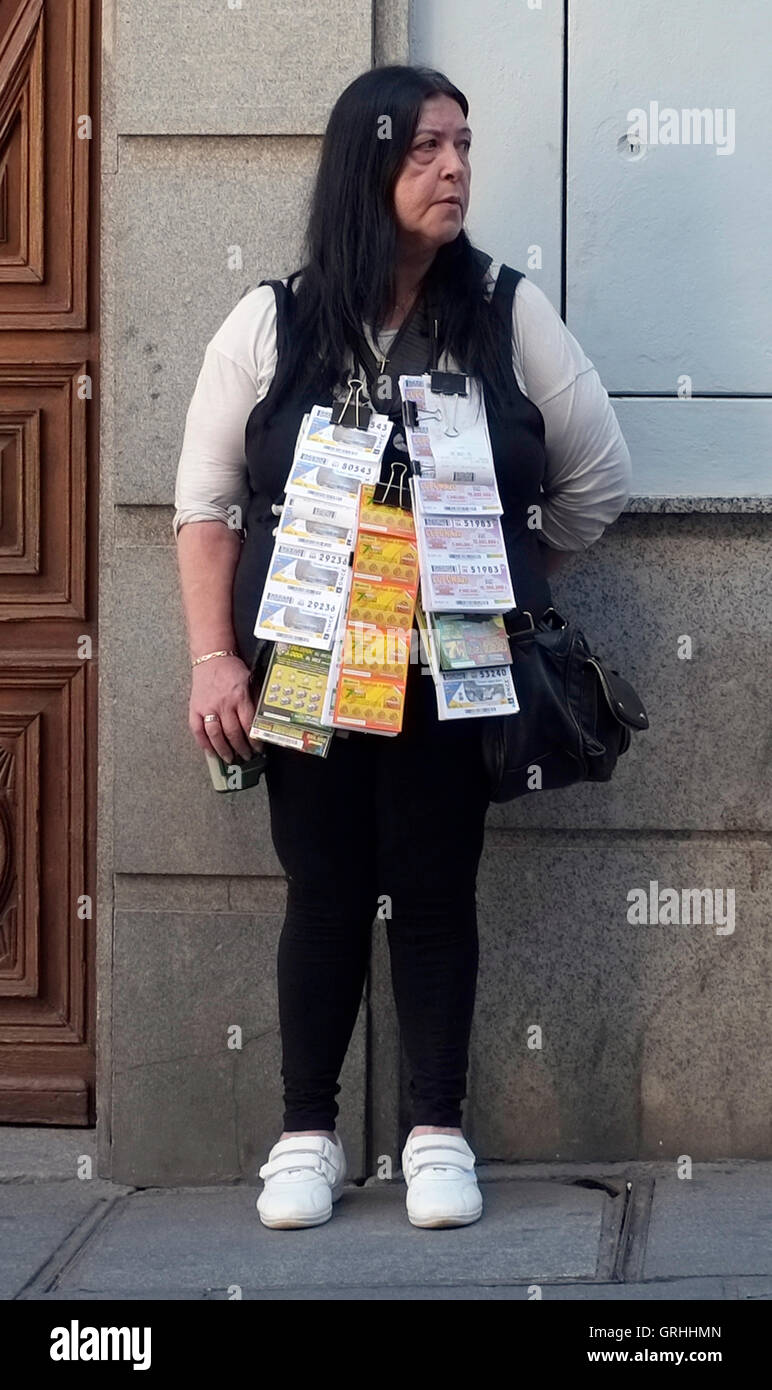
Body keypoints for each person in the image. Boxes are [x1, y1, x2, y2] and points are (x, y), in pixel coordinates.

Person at [173, 65, 633, 1230]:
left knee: (433, 891)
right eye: (426, 148)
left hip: (453, 667)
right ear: (364, 166)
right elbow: (205, 503)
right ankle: (305, 1136)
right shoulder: (270, 321)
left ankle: (436, 1130)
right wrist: (211, 660)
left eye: (464, 146)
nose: (454, 170)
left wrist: (508, 582)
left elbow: (595, 480)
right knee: (322, 892)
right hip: (310, 669)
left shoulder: (506, 311)